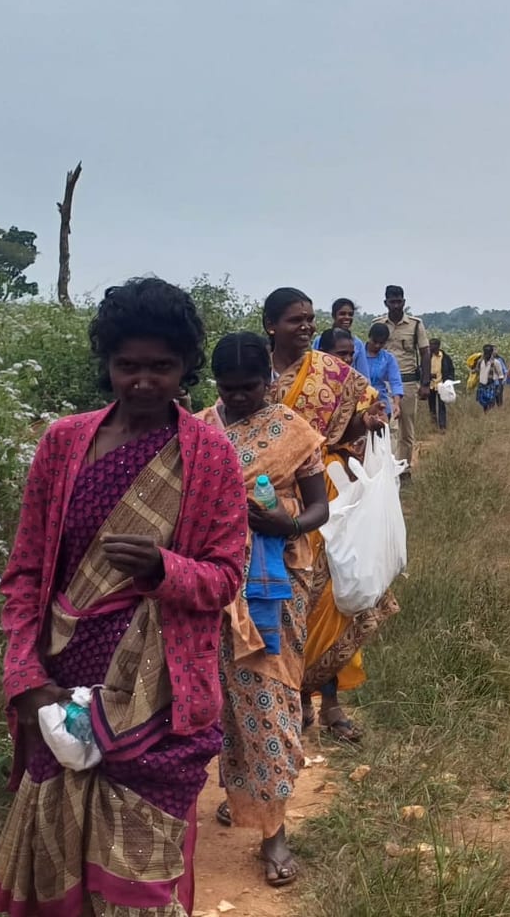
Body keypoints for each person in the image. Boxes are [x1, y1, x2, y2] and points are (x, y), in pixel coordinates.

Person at [0, 278, 246, 917]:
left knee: (141, 881)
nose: (144, 381)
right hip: (61, 689)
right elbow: (25, 573)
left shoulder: (211, 456)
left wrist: (164, 569)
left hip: (159, 699)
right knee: (57, 861)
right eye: (129, 365)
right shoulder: (64, 444)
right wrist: (26, 678)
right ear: (106, 363)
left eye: (162, 366)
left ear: (186, 366)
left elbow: (225, 576)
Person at [198, 332, 331, 889]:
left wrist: (288, 523)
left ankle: (273, 833)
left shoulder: (293, 432)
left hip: (275, 583)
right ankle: (243, 793)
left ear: (268, 382)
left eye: (249, 388)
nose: (238, 398)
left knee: (270, 698)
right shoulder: (200, 429)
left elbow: (320, 506)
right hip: (212, 581)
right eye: (228, 389)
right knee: (228, 702)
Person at [261, 289, 391, 744]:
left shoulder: (330, 374)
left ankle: (331, 703)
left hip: (326, 496)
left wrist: (365, 423)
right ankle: (292, 701)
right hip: (271, 499)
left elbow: (345, 428)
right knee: (283, 602)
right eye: (295, 319)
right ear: (270, 325)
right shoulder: (255, 373)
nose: (305, 326)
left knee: (332, 599)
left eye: (309, 319)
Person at [376, 286, 429, 474]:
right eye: (392, 302)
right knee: (387, 428)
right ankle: (388, 470)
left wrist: (425, 384)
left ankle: (404, 469)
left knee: (407, 428)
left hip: (407, 382)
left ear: (404, 302)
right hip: (384, 384)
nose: (396, 305)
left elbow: (425, 353)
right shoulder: (379, 324)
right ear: (386, 303)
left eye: (399, 301)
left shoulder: (415, 325)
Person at [328, 296, 368, 372]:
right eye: (342, 314)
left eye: (350, 314)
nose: (347, 317)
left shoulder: (357, 344)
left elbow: (363, 373)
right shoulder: (320, 340)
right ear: (333, 315)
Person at [426, 336, 453, 432]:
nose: (430, 347)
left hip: (442, 385)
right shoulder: (428, 357)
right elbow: (422, 369)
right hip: (431, 385)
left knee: (442, 406)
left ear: (437, 346)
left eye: (432, 345)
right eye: (430, 345)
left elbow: (451, 370)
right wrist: (428, 376)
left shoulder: (445, 357)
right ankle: (433, 426)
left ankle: (442, 426)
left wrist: (449, 381)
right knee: (431, 406)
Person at [475, 344, 508, 411]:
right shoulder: (480, 362)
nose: (487, 354)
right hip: (482, 385)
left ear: (491, 352)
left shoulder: (496, 362)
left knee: (491, 403)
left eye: (488, 352)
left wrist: (499, 388)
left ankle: (491, 415)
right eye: (485, 352)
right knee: (484, 404)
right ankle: (486, 414)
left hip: (491, 385)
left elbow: (501, 376)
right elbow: (478, 372)